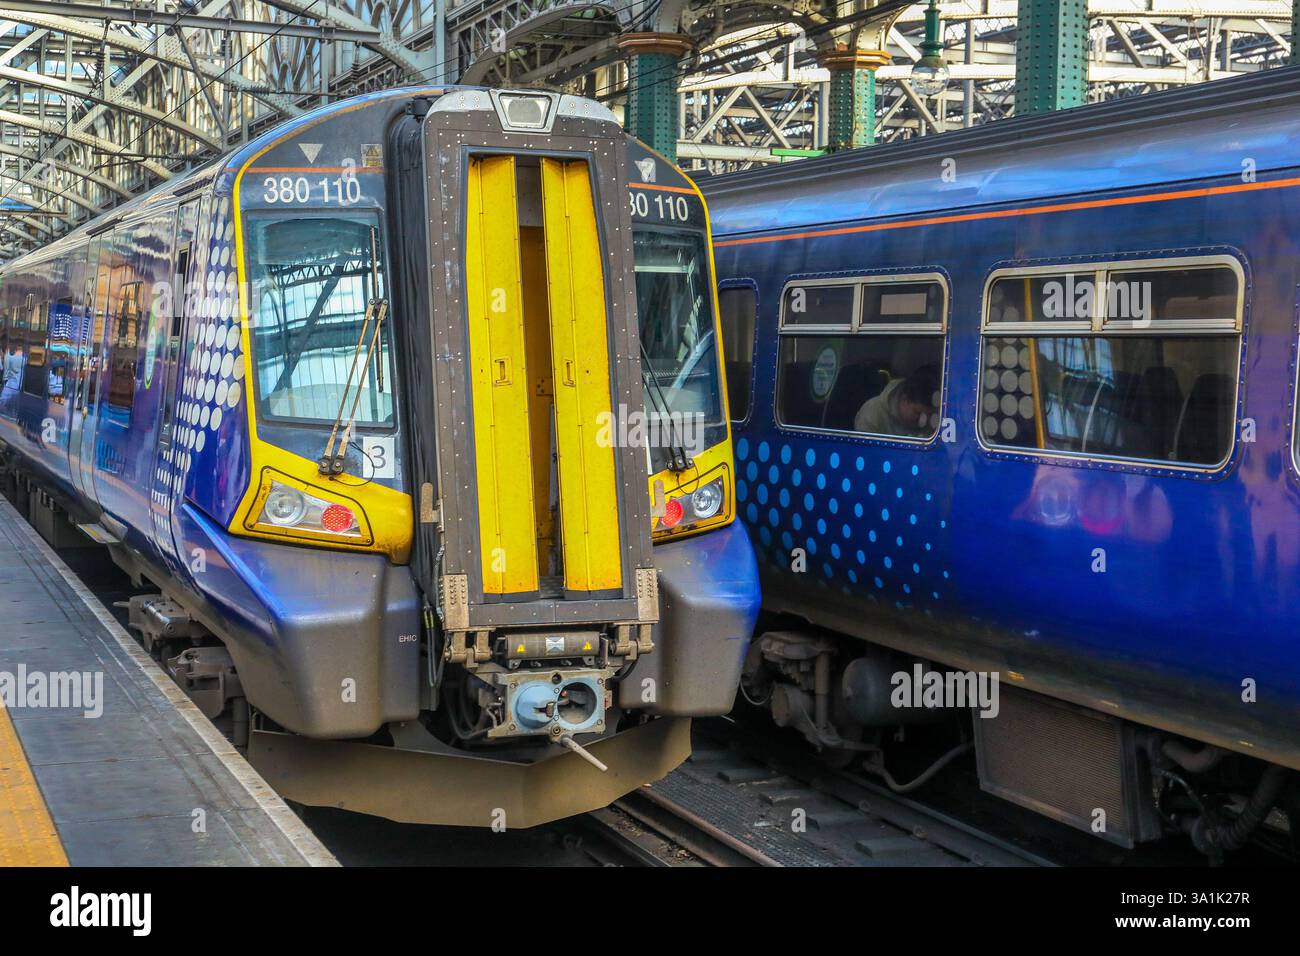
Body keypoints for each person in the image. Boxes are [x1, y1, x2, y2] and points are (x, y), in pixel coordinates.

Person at [854, 365, 939, 438]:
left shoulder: (930, 422)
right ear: (905, 399)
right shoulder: (871, 416)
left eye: (928, 415)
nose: (923, 421)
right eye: (917, 413)